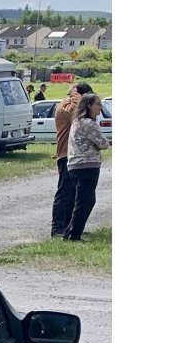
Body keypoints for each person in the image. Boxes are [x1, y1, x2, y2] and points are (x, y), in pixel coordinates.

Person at [63, 92, 109, 240]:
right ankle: (74, 234)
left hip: (74, 165)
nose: (100, 107)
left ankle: (70, 230)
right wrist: (102, 143)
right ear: (89, 106)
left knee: (85, 200)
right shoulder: (88, 123)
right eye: (98, 104)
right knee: (84, 201)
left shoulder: (76, 121)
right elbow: (103, 143)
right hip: (87, 165)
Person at [50, 82, 93, 237]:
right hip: (65, 155)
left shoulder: (72, 106)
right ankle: (57, 227)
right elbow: (75, 111)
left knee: (76, 194)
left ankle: (70, 227)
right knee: (65, 192)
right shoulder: (65, 107)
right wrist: (75, 94)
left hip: (76, 156)